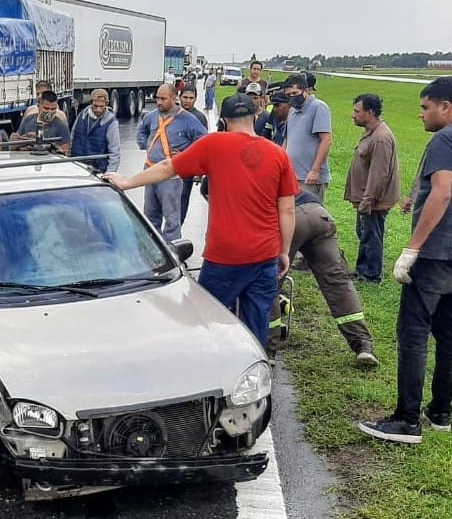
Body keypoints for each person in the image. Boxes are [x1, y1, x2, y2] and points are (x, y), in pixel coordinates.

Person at [358, 77, 452, 445]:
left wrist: (413, 248)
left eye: (426, 107)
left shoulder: (447, 138)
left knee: (413, 332)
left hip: (438, 250)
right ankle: (440, 412)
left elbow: (441, 193)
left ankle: (407, 420)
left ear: (446, 106)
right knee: (450, 333)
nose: (422, 115)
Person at [105, 94, 296, 347]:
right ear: (255, 116)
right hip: (265, 255)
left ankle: (210, 371)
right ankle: (254, 374)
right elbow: (288, 211)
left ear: (225, 120)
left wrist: (127, 182)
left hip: (224, 256)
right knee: (257, 320)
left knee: (205, 319)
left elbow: (167, 168)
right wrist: (283, 251)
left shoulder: (213, 145)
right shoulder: (278, 155)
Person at [268, 190, 378, 367]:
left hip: (290, 217)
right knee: (338, 283)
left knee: (269, 283)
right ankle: (363, 346)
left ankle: (268, 351)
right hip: (319, 215)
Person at [135, 84, 207, 241]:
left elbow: (203, 141)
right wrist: (145, 144)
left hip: (171, 176)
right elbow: (141, 130)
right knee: (150, 215)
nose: (158, 102)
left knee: (171, 218)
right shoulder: (152, 116)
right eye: (157, 98)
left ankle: (173, 250)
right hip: (151, 171)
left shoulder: (188, 119)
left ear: (174, 98)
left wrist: (186, 155)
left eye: (163, 99)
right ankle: (154, 249)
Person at [344, 93, 401, 284]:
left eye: (357, 111)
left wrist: (367, 201)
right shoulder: (372, 133)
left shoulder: (381, 138)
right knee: (365, 233)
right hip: (368, 198)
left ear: (370, 112)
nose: (353, 115)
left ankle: (371, 274)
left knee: (372, 235)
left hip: (375, 200)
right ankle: (363, 269)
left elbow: (379, 174)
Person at [283, 73, 333, 201]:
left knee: (310, 215)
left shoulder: (319, 107)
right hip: (293, 175)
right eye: (288, 95)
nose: (292, 97)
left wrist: (315, 170)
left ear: (306, 90)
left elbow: (326, 140)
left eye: (295, 93)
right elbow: (288, 140)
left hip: (310, 178)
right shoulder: (293, 111)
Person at [178, 85, 211, 221]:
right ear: (179, 97)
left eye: (191, 98)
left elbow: (202, 144)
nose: (187, 101)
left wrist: (199, 169)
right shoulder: (173, 114)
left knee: (182, 198)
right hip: (167, 163)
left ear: (196, 99)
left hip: (187, 166)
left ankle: (178, 227)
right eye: (185, 97)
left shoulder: (199, 117)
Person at [70, 88, 120, 172]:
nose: (98, 109)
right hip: (78, 166)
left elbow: (114, 153)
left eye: (101, 106)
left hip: (98, 169)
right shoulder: (81, 115)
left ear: (106, 104)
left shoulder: (111, 122)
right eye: (95, 106)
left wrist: (109, 174)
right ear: (91, 103)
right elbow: (72, 137)